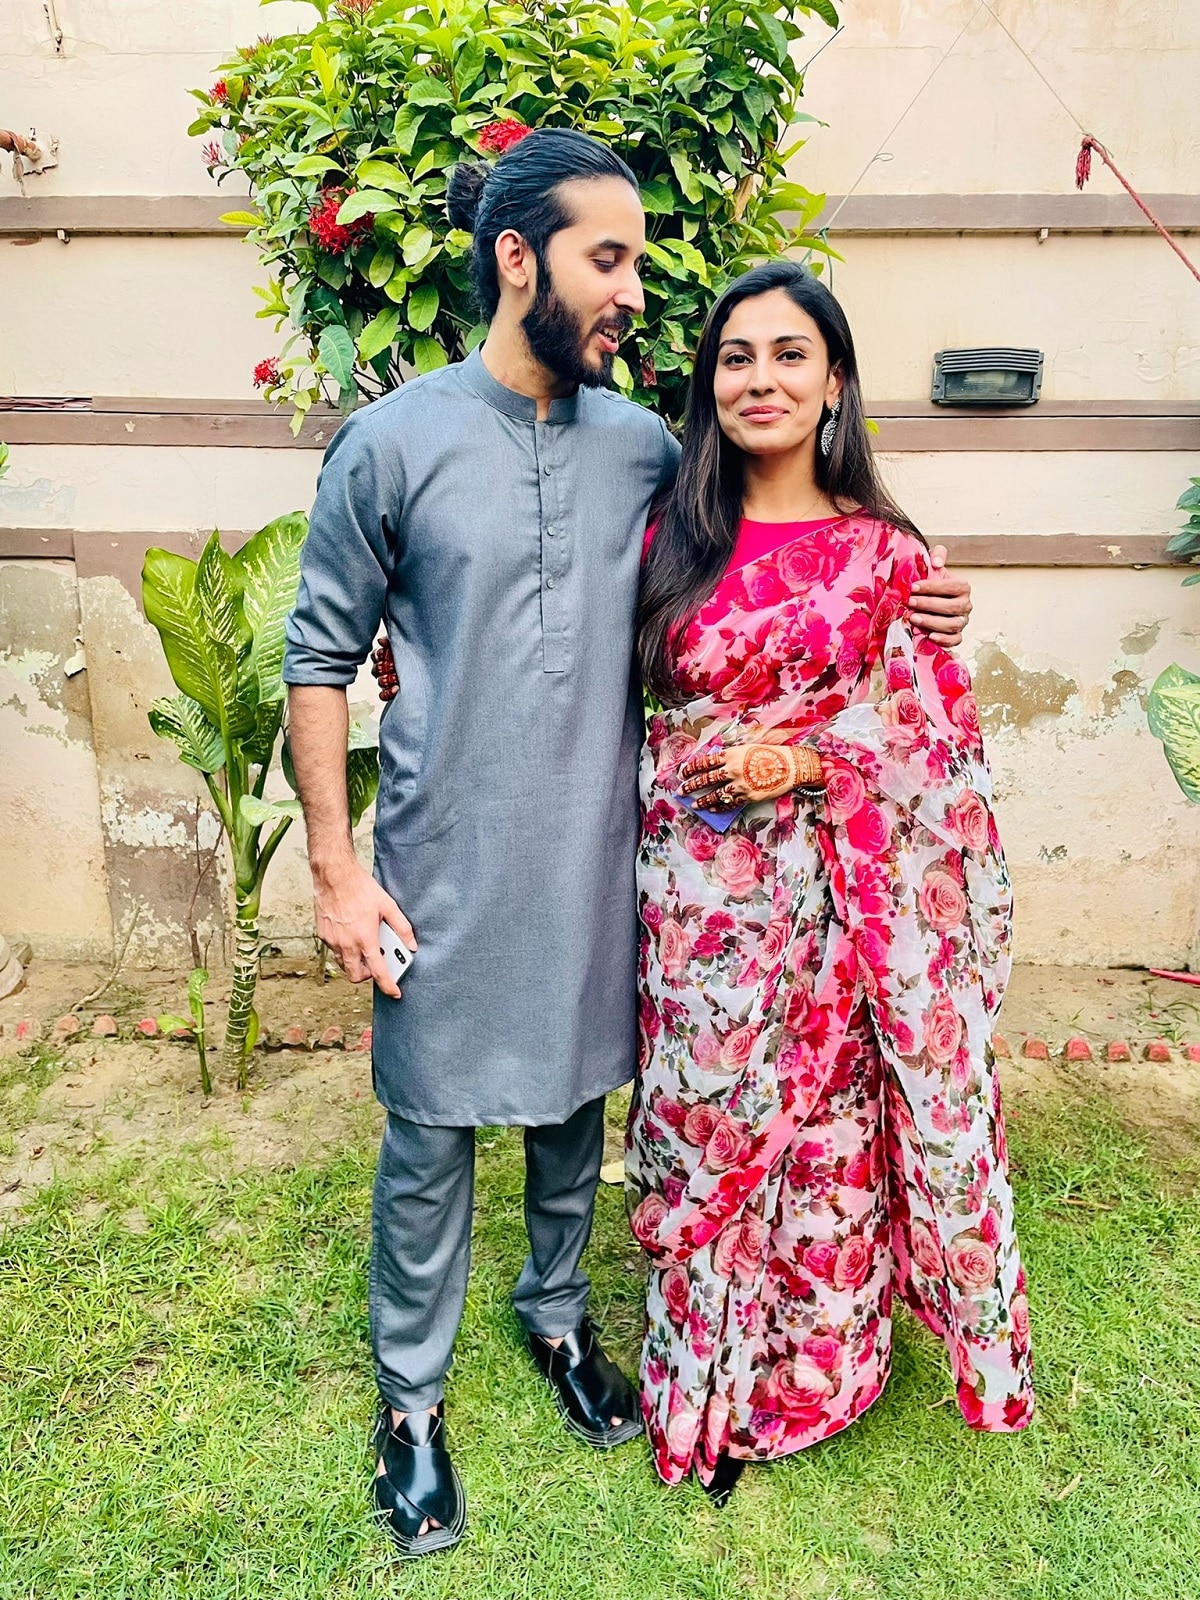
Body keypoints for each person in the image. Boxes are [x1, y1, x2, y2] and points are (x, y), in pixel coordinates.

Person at [287, 130, 974, 1558]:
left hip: (616, 861)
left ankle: (556, 1323)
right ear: (518, 260)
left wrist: (919, 604)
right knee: (430, 1137)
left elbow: (777, 585)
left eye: (640, 266)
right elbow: (318, 660)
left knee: (572, 1111)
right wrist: (340, 873)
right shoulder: (394, 441)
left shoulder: (651, 453)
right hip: (442, 862)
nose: (631, 296)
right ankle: (410, 1405)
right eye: (609, 262)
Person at [627, 259, 1034, 1509]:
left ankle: (814, 1375)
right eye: (736, 356)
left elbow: (932, 745)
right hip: (696, 907)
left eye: (789, 354)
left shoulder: (889, 555)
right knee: (705, 1126)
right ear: (711, 383)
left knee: (826, 1138)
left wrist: (805, 755)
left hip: (842, 910)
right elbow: (610, 703)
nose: (761, 378)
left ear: (835, 382)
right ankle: (703, 1370)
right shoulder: (668, 535)